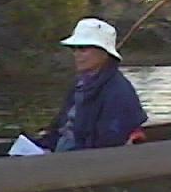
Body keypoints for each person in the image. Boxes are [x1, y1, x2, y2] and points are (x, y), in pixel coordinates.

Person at [37, 17, 148, 152]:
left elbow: (108, 144)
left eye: (83, 49)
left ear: (104, 53)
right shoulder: (80, 85)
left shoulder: (118, 93)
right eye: (74, 49)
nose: (76, 54)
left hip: (84, 160)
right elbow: (59, 127)